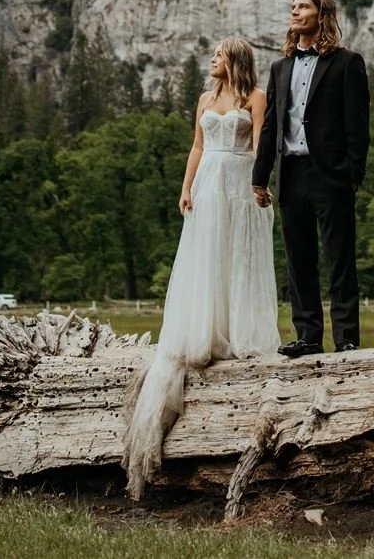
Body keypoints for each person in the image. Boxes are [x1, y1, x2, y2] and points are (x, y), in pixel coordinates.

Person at [120, 36, 276, 498]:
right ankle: (207, 330)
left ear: (235, 61)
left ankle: (240, 331)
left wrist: (260, 184)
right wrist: (185, 187)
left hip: (240, 181)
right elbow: (196, 146)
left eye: (217, 55)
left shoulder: (256, 97)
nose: (211, 61)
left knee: (240, 256)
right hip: (209, 181)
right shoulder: (205, 100)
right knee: (206, 253)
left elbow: (262, 143)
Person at [251, 0, 370, 357]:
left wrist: (351, 175)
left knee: (339, 258)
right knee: (298, 259)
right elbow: (271, 125)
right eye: (293, 7)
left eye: (302, 6)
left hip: (331, 175)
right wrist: (260, 176)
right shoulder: (279, 67)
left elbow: (358, 126)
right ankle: (307, 337)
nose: (294, 12)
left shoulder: (347, 63)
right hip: (292, 173)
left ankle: (347, 337)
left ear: (322, 14)